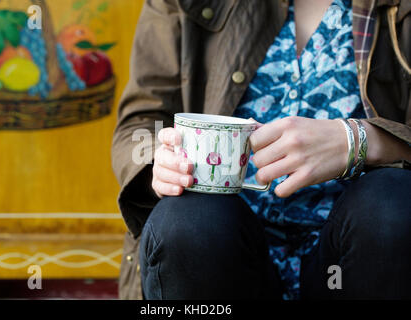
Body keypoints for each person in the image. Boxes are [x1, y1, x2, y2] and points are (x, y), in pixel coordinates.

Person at [112, 0, 411, 300]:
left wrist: (363, 140)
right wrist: (157, 160)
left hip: (349, 269)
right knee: (185, 219)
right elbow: (140, 123)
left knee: (390, 205)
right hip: (223, 261)